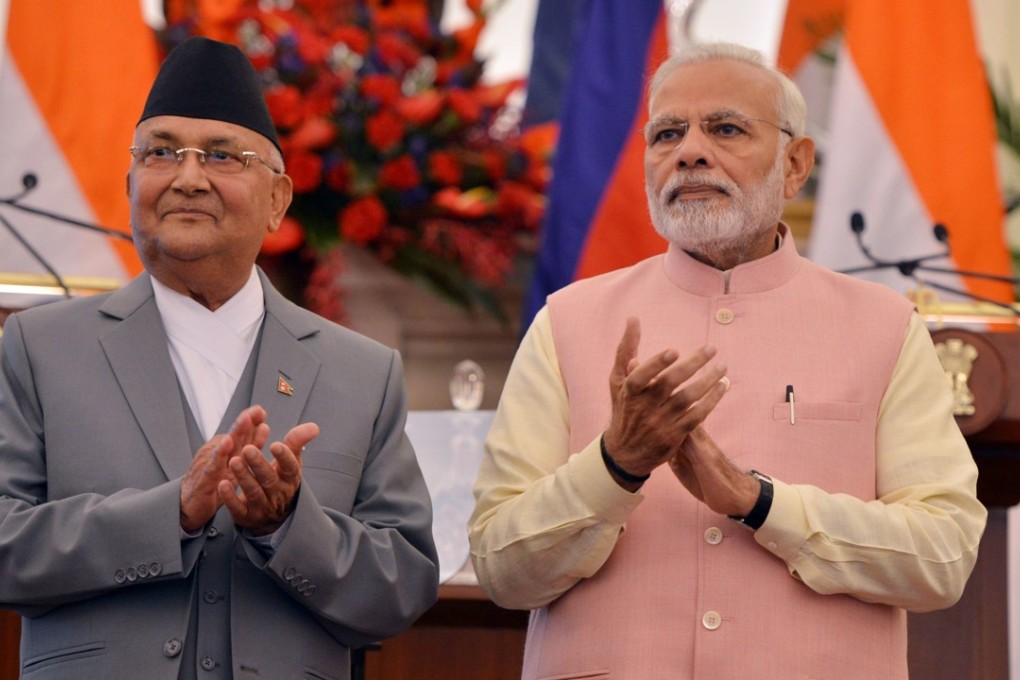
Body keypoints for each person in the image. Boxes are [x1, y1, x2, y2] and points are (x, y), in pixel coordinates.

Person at [468, 42, 986, 679]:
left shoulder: (883, 326)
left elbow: (943, 557)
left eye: (725, 128)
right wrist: (614, 465)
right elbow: (500, 567)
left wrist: (760, 503)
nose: (688, 151)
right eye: (667, 134)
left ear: (795, 166)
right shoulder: (568, 321)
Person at [0, 37, 438, 680]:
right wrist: (170, 514)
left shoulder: (361, 374)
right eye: (161, 152)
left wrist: (288, 526)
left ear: (278, 201)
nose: (187, 177)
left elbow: (402, 585)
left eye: (223, 156)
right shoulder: (40, 347)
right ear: (130, 184)